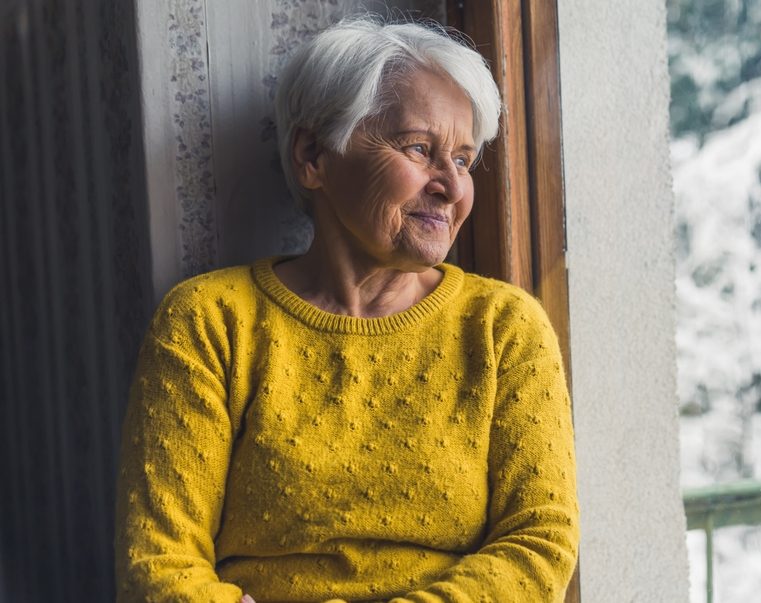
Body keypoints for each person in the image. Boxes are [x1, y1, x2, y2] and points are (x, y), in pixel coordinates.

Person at [114, 17, 579, 603]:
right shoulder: (209, 322)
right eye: (420, 149)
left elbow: (539, 544)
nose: (452, 187)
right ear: (313, 156)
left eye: (463, 160)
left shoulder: (503, 328)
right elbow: (156, 564)